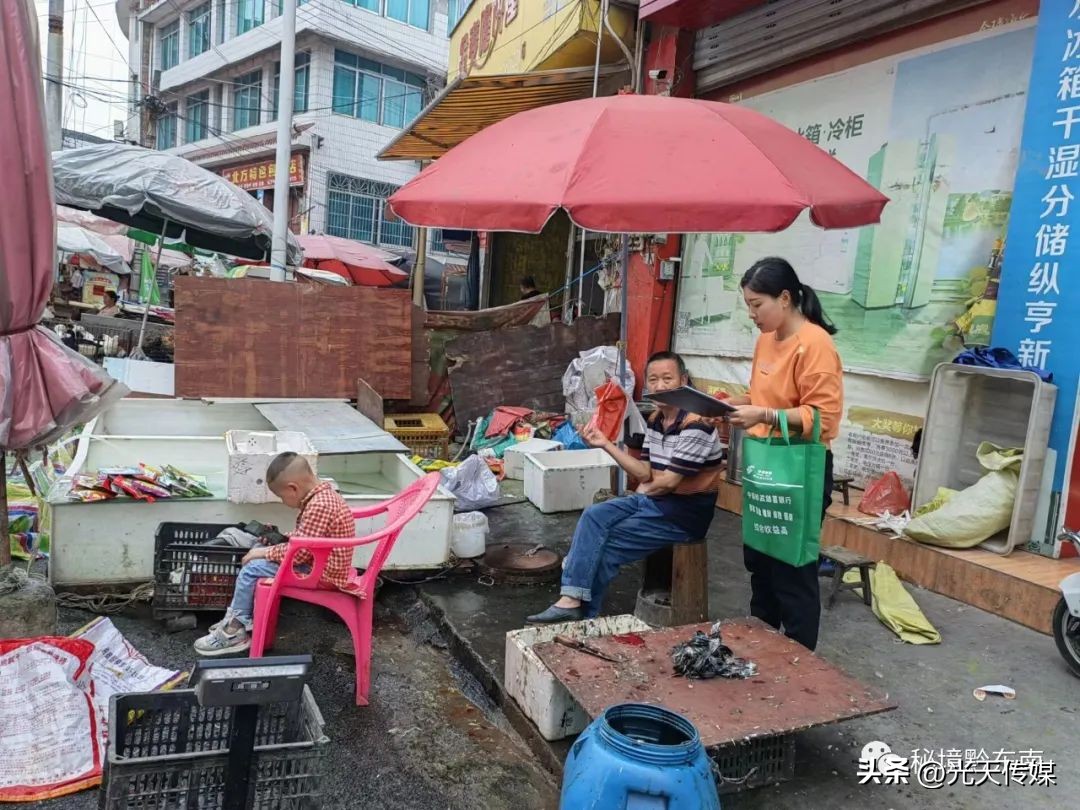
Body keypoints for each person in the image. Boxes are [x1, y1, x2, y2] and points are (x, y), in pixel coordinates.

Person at [526, 351, 724, 623]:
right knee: (594, 515)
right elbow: (645, 473)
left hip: (683, 516)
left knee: (606, 546)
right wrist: (606, 444)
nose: (660, 385)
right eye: (653, 379)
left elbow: (667, 483)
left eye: (668, 378)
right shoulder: (656, 419)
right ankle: (569, 599)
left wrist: (648, 488)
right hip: (655, 502)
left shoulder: (697, 424)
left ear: (684, 380)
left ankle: (582, 615)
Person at [722, 257, 843, 652]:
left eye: (758, 304)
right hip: (765, 466)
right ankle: (762, 646)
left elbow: (822, 417)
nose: (752, 315)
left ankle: (798, 658)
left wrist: (766, 415)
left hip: (799, 470)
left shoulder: (815, 344)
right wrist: (726, 405)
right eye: (749, 306)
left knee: (792, 568)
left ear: (785, 298)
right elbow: (761, 399)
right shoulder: (765, 340)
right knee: (760, 561)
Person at [194, 452, 356, 656]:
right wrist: (279, 538)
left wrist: (264, 552)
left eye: (281, 497)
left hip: (322, 574)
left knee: (252, 569)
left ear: (293, 488)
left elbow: (299, 555)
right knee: (257, 549)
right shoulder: (323, 496)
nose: (282, 501)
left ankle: (234, 630)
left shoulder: (319, 506)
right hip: (318, 563)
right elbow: (307, 539)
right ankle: (237, 617)